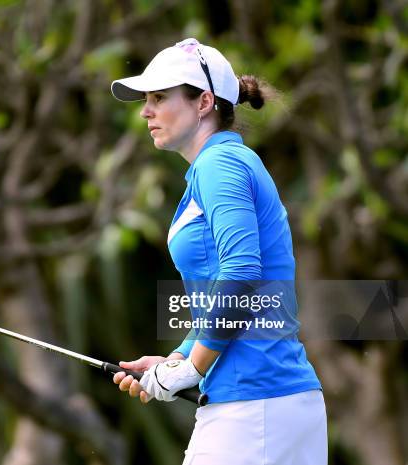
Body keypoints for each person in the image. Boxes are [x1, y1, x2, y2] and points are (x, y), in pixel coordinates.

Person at [110, 38, 327, 465]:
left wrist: (192, 367)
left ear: (204, 101)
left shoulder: (219, 165)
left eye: (158, 98)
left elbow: (243, 273)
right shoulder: (220, 165)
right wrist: (178, 358)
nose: (145, 111)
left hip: (254, 407)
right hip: (270, 403)